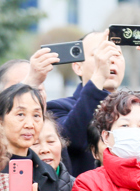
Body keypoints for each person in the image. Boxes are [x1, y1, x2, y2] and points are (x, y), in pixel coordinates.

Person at [46, 31, 126, 175]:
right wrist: (99, 77)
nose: (110, 60)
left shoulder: (136, 111)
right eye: (100, 54)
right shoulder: (57, 108)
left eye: (116, 54)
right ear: (78, 67)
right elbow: (72, 140)